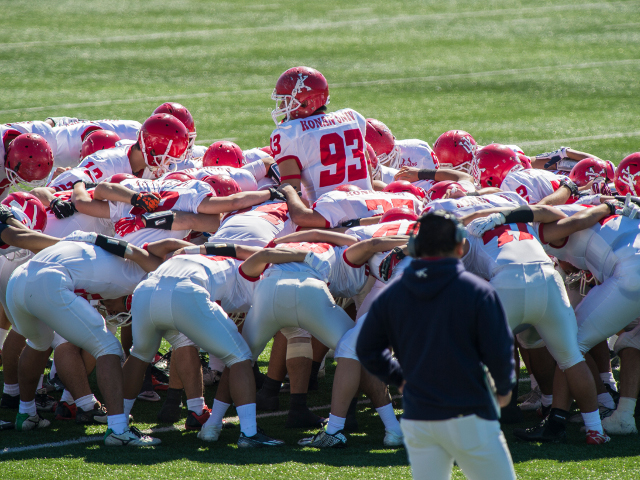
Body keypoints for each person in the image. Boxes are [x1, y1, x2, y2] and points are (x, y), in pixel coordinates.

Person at [356, 211, 516, 480]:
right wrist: (503, 389)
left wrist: (399, 377)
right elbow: (500, 351)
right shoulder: (477, 290)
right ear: (461, 245)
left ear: (416, 246)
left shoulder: (393, 294)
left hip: (419, 415)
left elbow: (367, 349)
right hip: (469, 410)